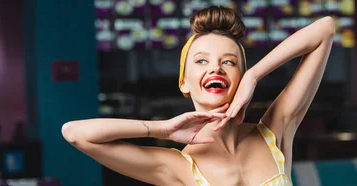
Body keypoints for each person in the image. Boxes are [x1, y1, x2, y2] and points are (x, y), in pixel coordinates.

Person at [62, 6, 334, 186]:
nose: (215, 67)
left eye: (228, 62)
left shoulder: (275, 132)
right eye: (201, 62)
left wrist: (254, 75)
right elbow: (75, 132)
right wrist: (163, 128)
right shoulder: (176, 166)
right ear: (184, 81)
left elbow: (325, 28)